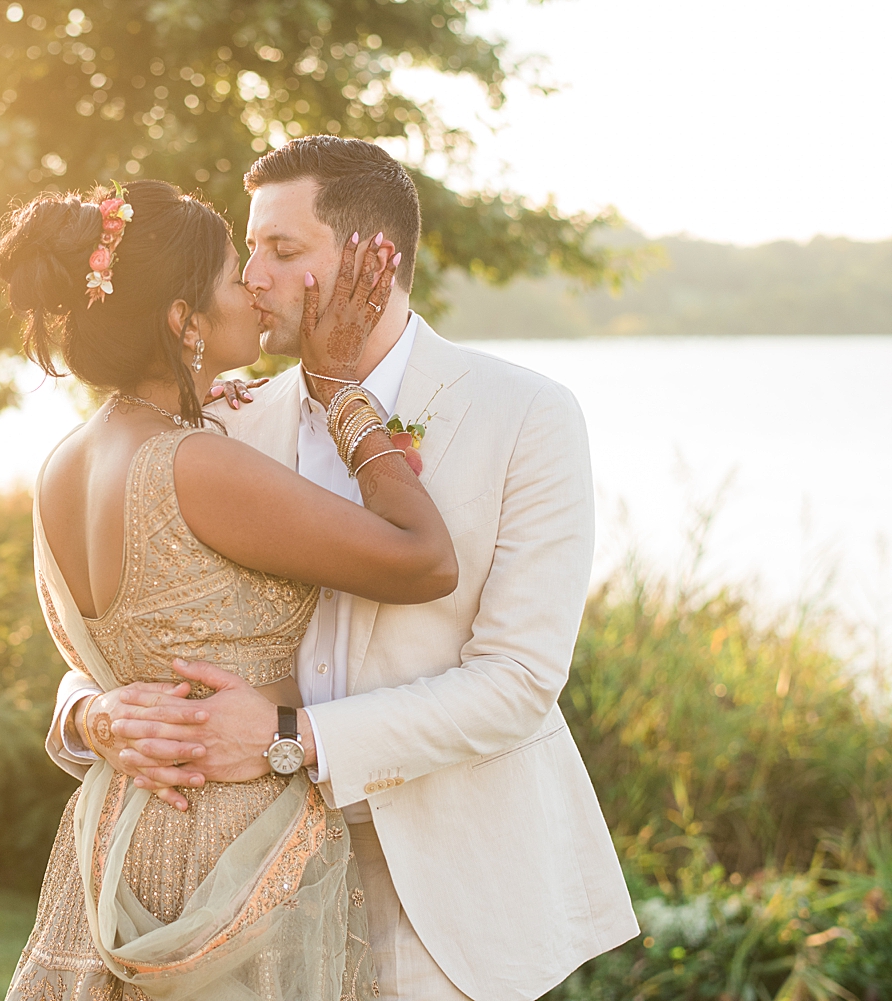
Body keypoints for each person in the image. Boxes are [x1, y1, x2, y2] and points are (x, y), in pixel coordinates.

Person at [46, 137, 640, 1001]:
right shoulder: (221, 422)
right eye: (248, 250)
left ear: (374, 258)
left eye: (283, 252)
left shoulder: (527, 416)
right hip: (244, 879)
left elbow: (519, 681)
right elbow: (130, 626)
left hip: (445, 890)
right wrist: (90, 712)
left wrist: (295, 739)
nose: (253, 276)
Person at [0, 177, 459, 1000]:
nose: (252, 284)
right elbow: (423, 559)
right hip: (230, 854)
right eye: (230, 275)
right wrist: (344, 393)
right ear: (183, 320)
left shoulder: (65, 461)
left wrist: (90, 714)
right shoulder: (195, 463)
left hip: (125, 827)